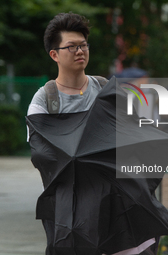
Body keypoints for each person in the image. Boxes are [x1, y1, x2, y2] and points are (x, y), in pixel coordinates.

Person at [27, 13, 160, 255]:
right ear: (54, 54)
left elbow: (135, 133)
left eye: (83, 45)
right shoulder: (44, 100)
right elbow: (42, 154)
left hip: (120, 201)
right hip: (75, 207)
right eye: (71, 46)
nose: (80, 51)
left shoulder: (106, 90)